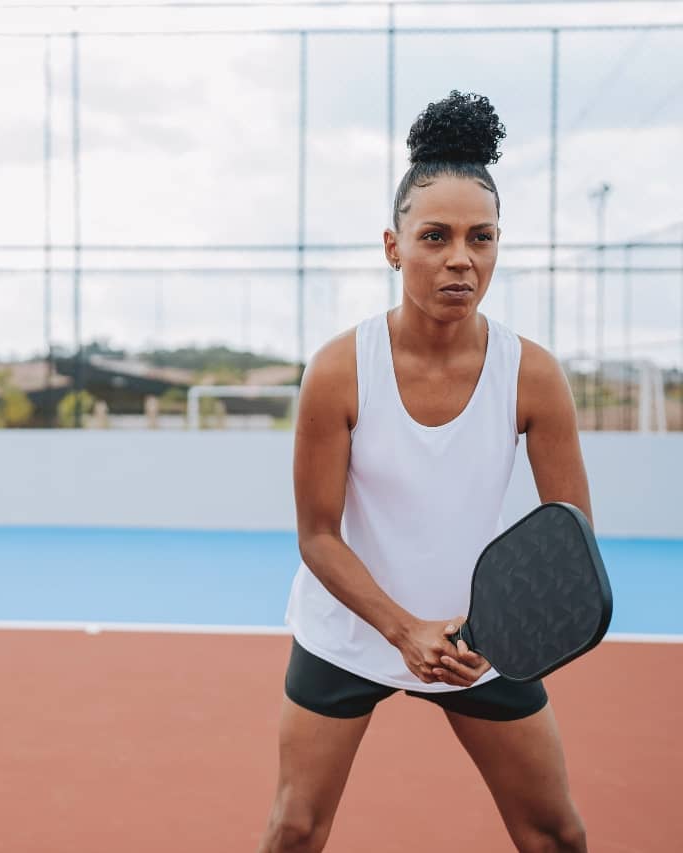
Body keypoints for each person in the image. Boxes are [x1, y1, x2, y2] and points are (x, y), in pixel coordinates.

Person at [258, 91, 590, 853]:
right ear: (392, 245)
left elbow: (569, 539)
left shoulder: (532, 375)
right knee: (294, 829)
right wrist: (404, 630)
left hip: (478, 642)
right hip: (350, 630)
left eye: (482, 237)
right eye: (434, 236)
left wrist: (497, 632)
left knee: (556, 834)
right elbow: (316, 535)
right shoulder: (340, 370)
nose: (460, 259)